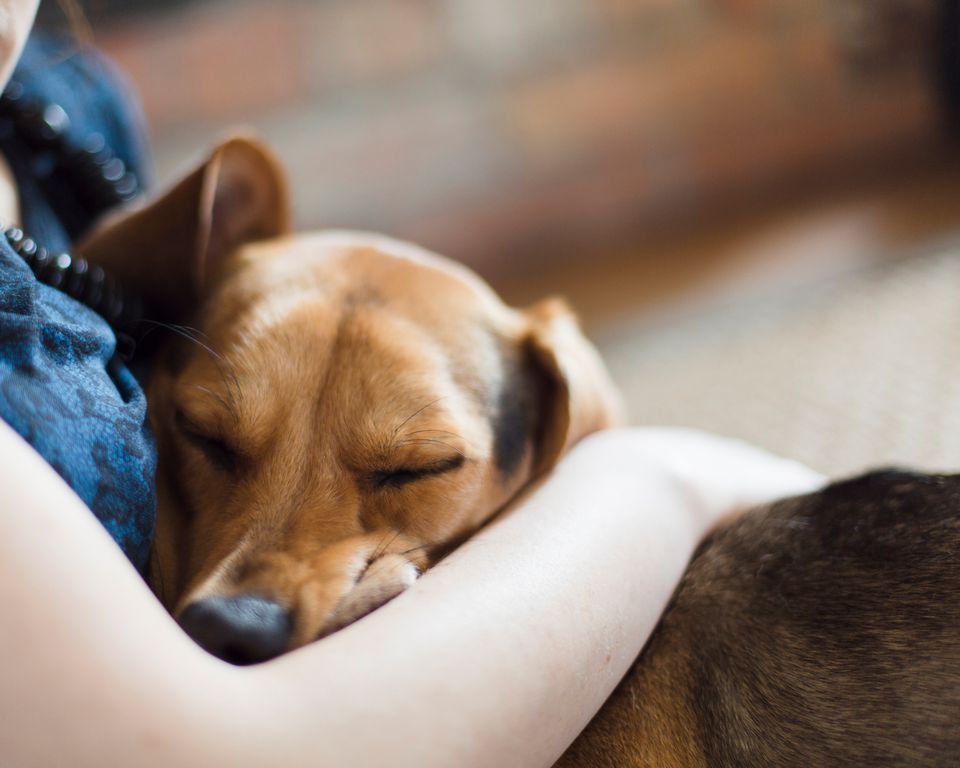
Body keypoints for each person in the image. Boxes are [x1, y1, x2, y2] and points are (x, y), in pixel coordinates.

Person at [0, 2, 823, 766]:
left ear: (554, 433)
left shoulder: (63, 101)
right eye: (214, 438)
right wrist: (663, 477)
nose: (244, 596)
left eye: (408, 469)